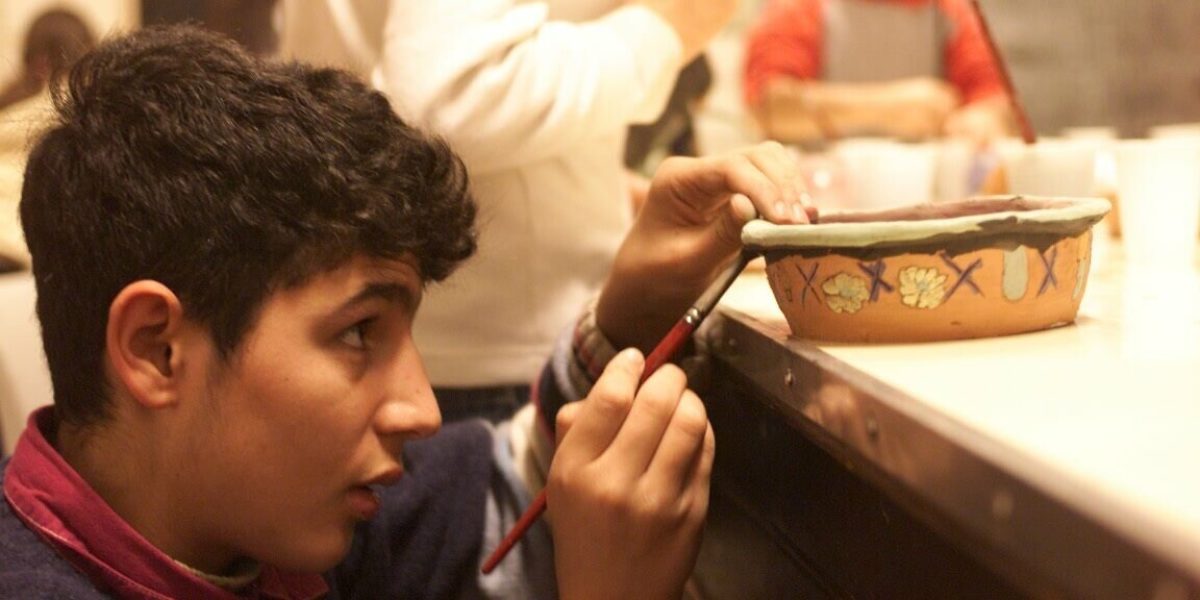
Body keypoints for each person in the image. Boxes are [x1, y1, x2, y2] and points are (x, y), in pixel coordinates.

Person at [0, 25, 812, 599]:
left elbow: (505, 492)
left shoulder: (266, 525)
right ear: (156, 350)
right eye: (359, 332)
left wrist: (626, 317)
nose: (421, 409)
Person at [289, 0, 747, 423]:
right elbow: (453, 94)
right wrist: (664, 31)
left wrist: (593, 188)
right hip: (495, 367)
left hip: (396, 326)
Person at [743, 0, 1014, 145]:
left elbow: (994, 95)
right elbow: (769, 107)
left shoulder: (948, 9)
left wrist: (983, 119)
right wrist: (886, 108)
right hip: (819, 202)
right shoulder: (799, 6)